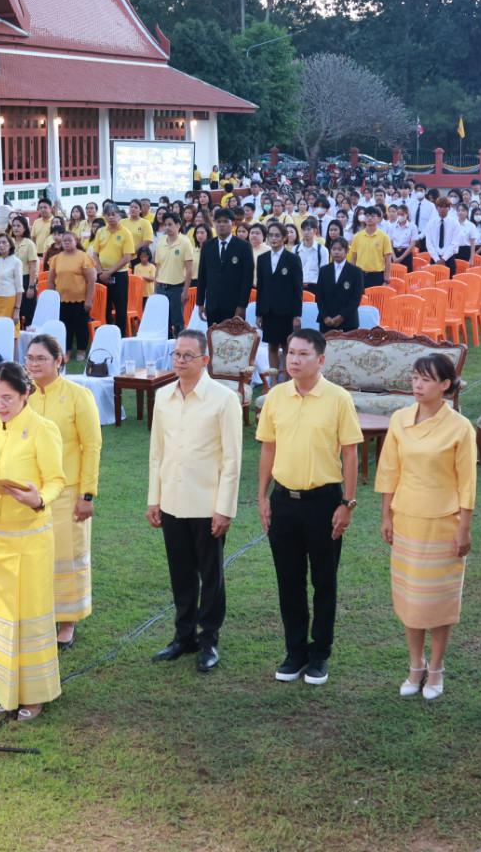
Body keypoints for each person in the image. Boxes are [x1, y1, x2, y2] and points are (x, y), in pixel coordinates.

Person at [256, 328, 363, 686]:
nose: (295, 360)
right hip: (284, 501)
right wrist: (262, 496)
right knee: (289, 581)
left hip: (324, 503)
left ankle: (320, 654)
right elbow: (268, 448)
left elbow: (350, 453)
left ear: (320, 360)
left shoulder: (338, 398)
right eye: (291, 353)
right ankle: (295, 651)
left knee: (324, 581)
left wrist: (347, 503)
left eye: (303, 354)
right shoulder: (276, 397)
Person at [0, 362, 67, 721]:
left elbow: (56, 480)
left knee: (29, 617)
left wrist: (39, 499)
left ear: (26, 394)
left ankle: (35, 694)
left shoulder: (43, 429)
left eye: (7, 398)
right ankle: (6, 691)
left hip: (29, 540)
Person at [377, 353, 476, 701]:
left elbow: (467, 482)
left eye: (426, 379)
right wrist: (386, 516)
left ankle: (436, 667)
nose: (417, 385)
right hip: (407, 519)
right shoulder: (400, 419)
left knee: (438, 599)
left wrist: (464, 528)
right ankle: (415, 665)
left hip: (443, 522)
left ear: (445, 385)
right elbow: (389, 470)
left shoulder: (460, 427)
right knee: (410, 598)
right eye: (415, 378)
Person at [148, 330, 242, 672]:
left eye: (188, 355)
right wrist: (154, 499)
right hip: (172, 500)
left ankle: (209, 638)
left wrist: (224, 509)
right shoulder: (163, 396)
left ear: (205, 359)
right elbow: (157, 454)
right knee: (180, 573)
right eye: (177, 354)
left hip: (206, 504)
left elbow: (232, 459)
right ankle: (183, 636)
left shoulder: (224, 399)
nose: (180, 360)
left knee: (211, 575)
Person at [25, 334, 102, 650]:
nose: (33, 364)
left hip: (68, 491)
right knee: (36, 555)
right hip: (32, 492)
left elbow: (92, 445)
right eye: (29, 358)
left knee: (66, 555)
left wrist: (87, 494)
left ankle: (67, 621)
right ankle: (41, 614)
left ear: (59, 360)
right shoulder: (24, 396)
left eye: (41, 358)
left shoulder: (77, 395)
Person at [256, 222, 304, 375]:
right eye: (270, 235)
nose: (273, 238)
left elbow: (297, 289)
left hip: (286, 311)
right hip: (268, 311)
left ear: (284, 238)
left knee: (287, 346)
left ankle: (288, 380)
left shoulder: (293, 259)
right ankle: (274, 381)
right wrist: (259, 313)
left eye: (277, 235)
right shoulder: (262, 259)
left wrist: (297, 315)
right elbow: (261, 287)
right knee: (272, 346)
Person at [197, 207, 254, 325]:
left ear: (232, 224)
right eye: (218, 221)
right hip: (212, 305)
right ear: (214, 223)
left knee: (233, 337)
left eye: (225, 221)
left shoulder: (244, 246)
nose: (221, 225)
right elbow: (202, 275)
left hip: (234, 306)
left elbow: (247, 279)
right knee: (213, 336)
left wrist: (242, 306)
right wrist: (200, 303)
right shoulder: (207, 246)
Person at [51, 230, 98, 361]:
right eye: (64, 240)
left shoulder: (83, 257)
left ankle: (81, 350)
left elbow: (91, 280)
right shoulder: (57, 258)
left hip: (80, 299)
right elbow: (51, 280)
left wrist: (89, 300)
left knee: (80, 325)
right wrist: (51, 300)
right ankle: (67, 350)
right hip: (61, 300)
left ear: (76, 241)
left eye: (69, 240)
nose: (66, 243)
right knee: (65, 326)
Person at [93, 206, 135, 331]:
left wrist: (109, 272)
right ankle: (105, 333)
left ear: (119, 216)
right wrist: (100, 272)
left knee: (120, 307)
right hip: (101, 274)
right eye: (108, 214)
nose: (111, 217)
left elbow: (127, 257)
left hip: (119, 275)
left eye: (113, 214)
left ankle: (120, 335)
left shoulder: (125, 233)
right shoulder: (101, 232)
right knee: (104, 307)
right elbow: (95, 254)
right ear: (104, 216)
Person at [153, 211, 193, 337]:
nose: (167, 227)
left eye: (170, 224)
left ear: (178, 225)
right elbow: (158, 266)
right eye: (165, 225)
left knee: (178, 323)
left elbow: (189, 269)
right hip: (161, 288)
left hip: (177, 288)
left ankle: (180, 346)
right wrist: (155, 288)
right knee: (163, 322)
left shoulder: (185, 242)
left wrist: (185, 291)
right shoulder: (161, 242)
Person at [316, 238, 364, 332]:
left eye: (340, 249)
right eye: (334, 249)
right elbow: (319, 296)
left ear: (346, 251)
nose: (336, 252)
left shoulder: (356, 272)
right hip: (327, 321)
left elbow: (356, 298)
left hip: (348, 321)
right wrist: (325, 316)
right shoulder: (324, 270)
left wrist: (341, 316)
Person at [347, 206, 393, 290]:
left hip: (377, 275)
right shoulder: (357, 236)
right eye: (367, 215)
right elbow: (353, 258)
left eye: (372, 216)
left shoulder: (384, 237)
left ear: (378, 218)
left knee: (375, 298)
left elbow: (388, 259)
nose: (369, 218)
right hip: (360, 274)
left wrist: (386, 278)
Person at [0, 233, 24, 325]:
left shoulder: (16, 262)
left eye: (4, 242)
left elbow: (19, 288)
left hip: (10, 300)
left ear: (10, 244)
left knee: (10, 329)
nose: (1, 245)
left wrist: (17, 310)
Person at [424, 197, 462, 270]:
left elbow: (454, 243)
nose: (442, 209)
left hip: (449, 258)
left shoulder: (455, 223)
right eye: (440, 206)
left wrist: (444, 259)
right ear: (436, 208)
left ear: (449, 208)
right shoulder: (431, 223)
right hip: (434, 258)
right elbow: (429, 243)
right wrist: (437, 259)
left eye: (445, 207)